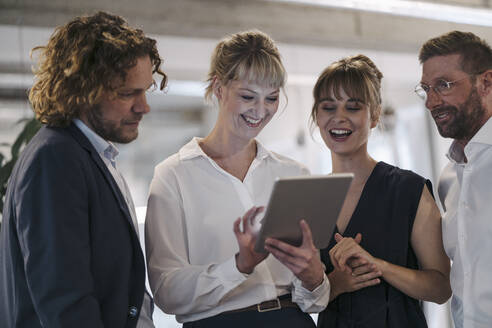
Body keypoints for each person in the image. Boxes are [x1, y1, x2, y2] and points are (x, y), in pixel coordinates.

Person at [145, 30, 329, 328]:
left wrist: (313, 277)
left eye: (271, 98)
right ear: (219, 88)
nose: (260, 111)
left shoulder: (294, 174)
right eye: (247, 96)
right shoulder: (173, 176)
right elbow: (167, 292)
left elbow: (315, 301)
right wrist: (238, 266)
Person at [0, 12, 167, 328]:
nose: (144, 106)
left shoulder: (88, 154)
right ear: (81, 89)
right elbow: (64, 301)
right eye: (127, 93)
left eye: (145, 90)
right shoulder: (54, 159)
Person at [312, 55, 451, 328]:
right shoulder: (308, 198)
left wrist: (378, 265)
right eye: (328, 107)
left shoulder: (409, 190)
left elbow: (441, 288)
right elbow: (295, 292)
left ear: (374, 115)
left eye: (353, 107)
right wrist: (334, 286)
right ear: (317, 116)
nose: (339, 118)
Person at [416, 31, 492, 328]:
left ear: (486, 82)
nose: (431, 102)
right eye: (425, 89)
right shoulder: (449, 178)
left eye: (443, 86)